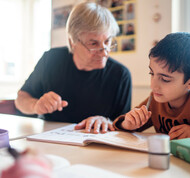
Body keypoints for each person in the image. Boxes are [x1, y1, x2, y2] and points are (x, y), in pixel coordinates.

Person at [15, 2, 132, 134]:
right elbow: (21, 99)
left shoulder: (121, 75)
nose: (104, 52)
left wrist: (108, 122)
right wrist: (35, 106)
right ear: (72, 41)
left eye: (107, 42)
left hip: (98, 145)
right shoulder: (51, 60)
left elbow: (125, 126)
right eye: (93, 43)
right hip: (52, 140)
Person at [113, 32, 190, 139]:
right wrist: (127, 124)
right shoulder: (155, 100)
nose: (153, 86)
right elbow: (121, 126)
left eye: (165, 79)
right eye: (151, 73)